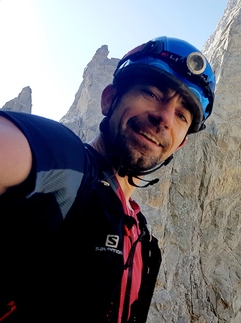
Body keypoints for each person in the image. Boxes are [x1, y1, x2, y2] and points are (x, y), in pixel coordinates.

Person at [0, 36, 215, 323]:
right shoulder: (65, 163)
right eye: (151, 93)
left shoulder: (139, 231)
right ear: (109, 99)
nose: (164, 117)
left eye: (181, 115)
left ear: (179, 145)